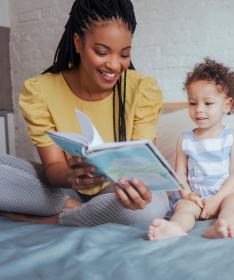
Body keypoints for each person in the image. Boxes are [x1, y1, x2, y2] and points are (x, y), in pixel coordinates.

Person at [0, 0, 170, 226]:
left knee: (154, 205)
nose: (114, 65)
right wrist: (71, 176)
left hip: (115, 192)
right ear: (78, 42)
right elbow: (52, 170)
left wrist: (138, 192)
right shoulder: (40, 91)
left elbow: (141, 172)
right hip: (65, 190)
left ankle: (59, 218)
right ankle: (78, 209)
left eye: (124, 54)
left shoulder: (141, 90)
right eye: (101, 52)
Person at [147, 58, 234, 240]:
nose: (199, 110)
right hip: (197, 196)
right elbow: (180, 175)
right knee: (183, 208)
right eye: (193, 103)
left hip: (226, 193)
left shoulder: (233, 138)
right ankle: (174, 228)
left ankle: (223, 226)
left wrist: (217, 200)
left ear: (227, 105)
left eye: (208, 103)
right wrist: (187, 193)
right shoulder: (185, 140)